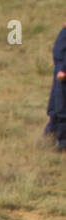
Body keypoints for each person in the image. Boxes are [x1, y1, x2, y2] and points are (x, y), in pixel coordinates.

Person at [47, 21, 66, 151]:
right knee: (54, 108)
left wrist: (64, 70)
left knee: (61, 108)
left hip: (62, 73)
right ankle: (49, 137)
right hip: (59, 70)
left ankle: (62, 142)